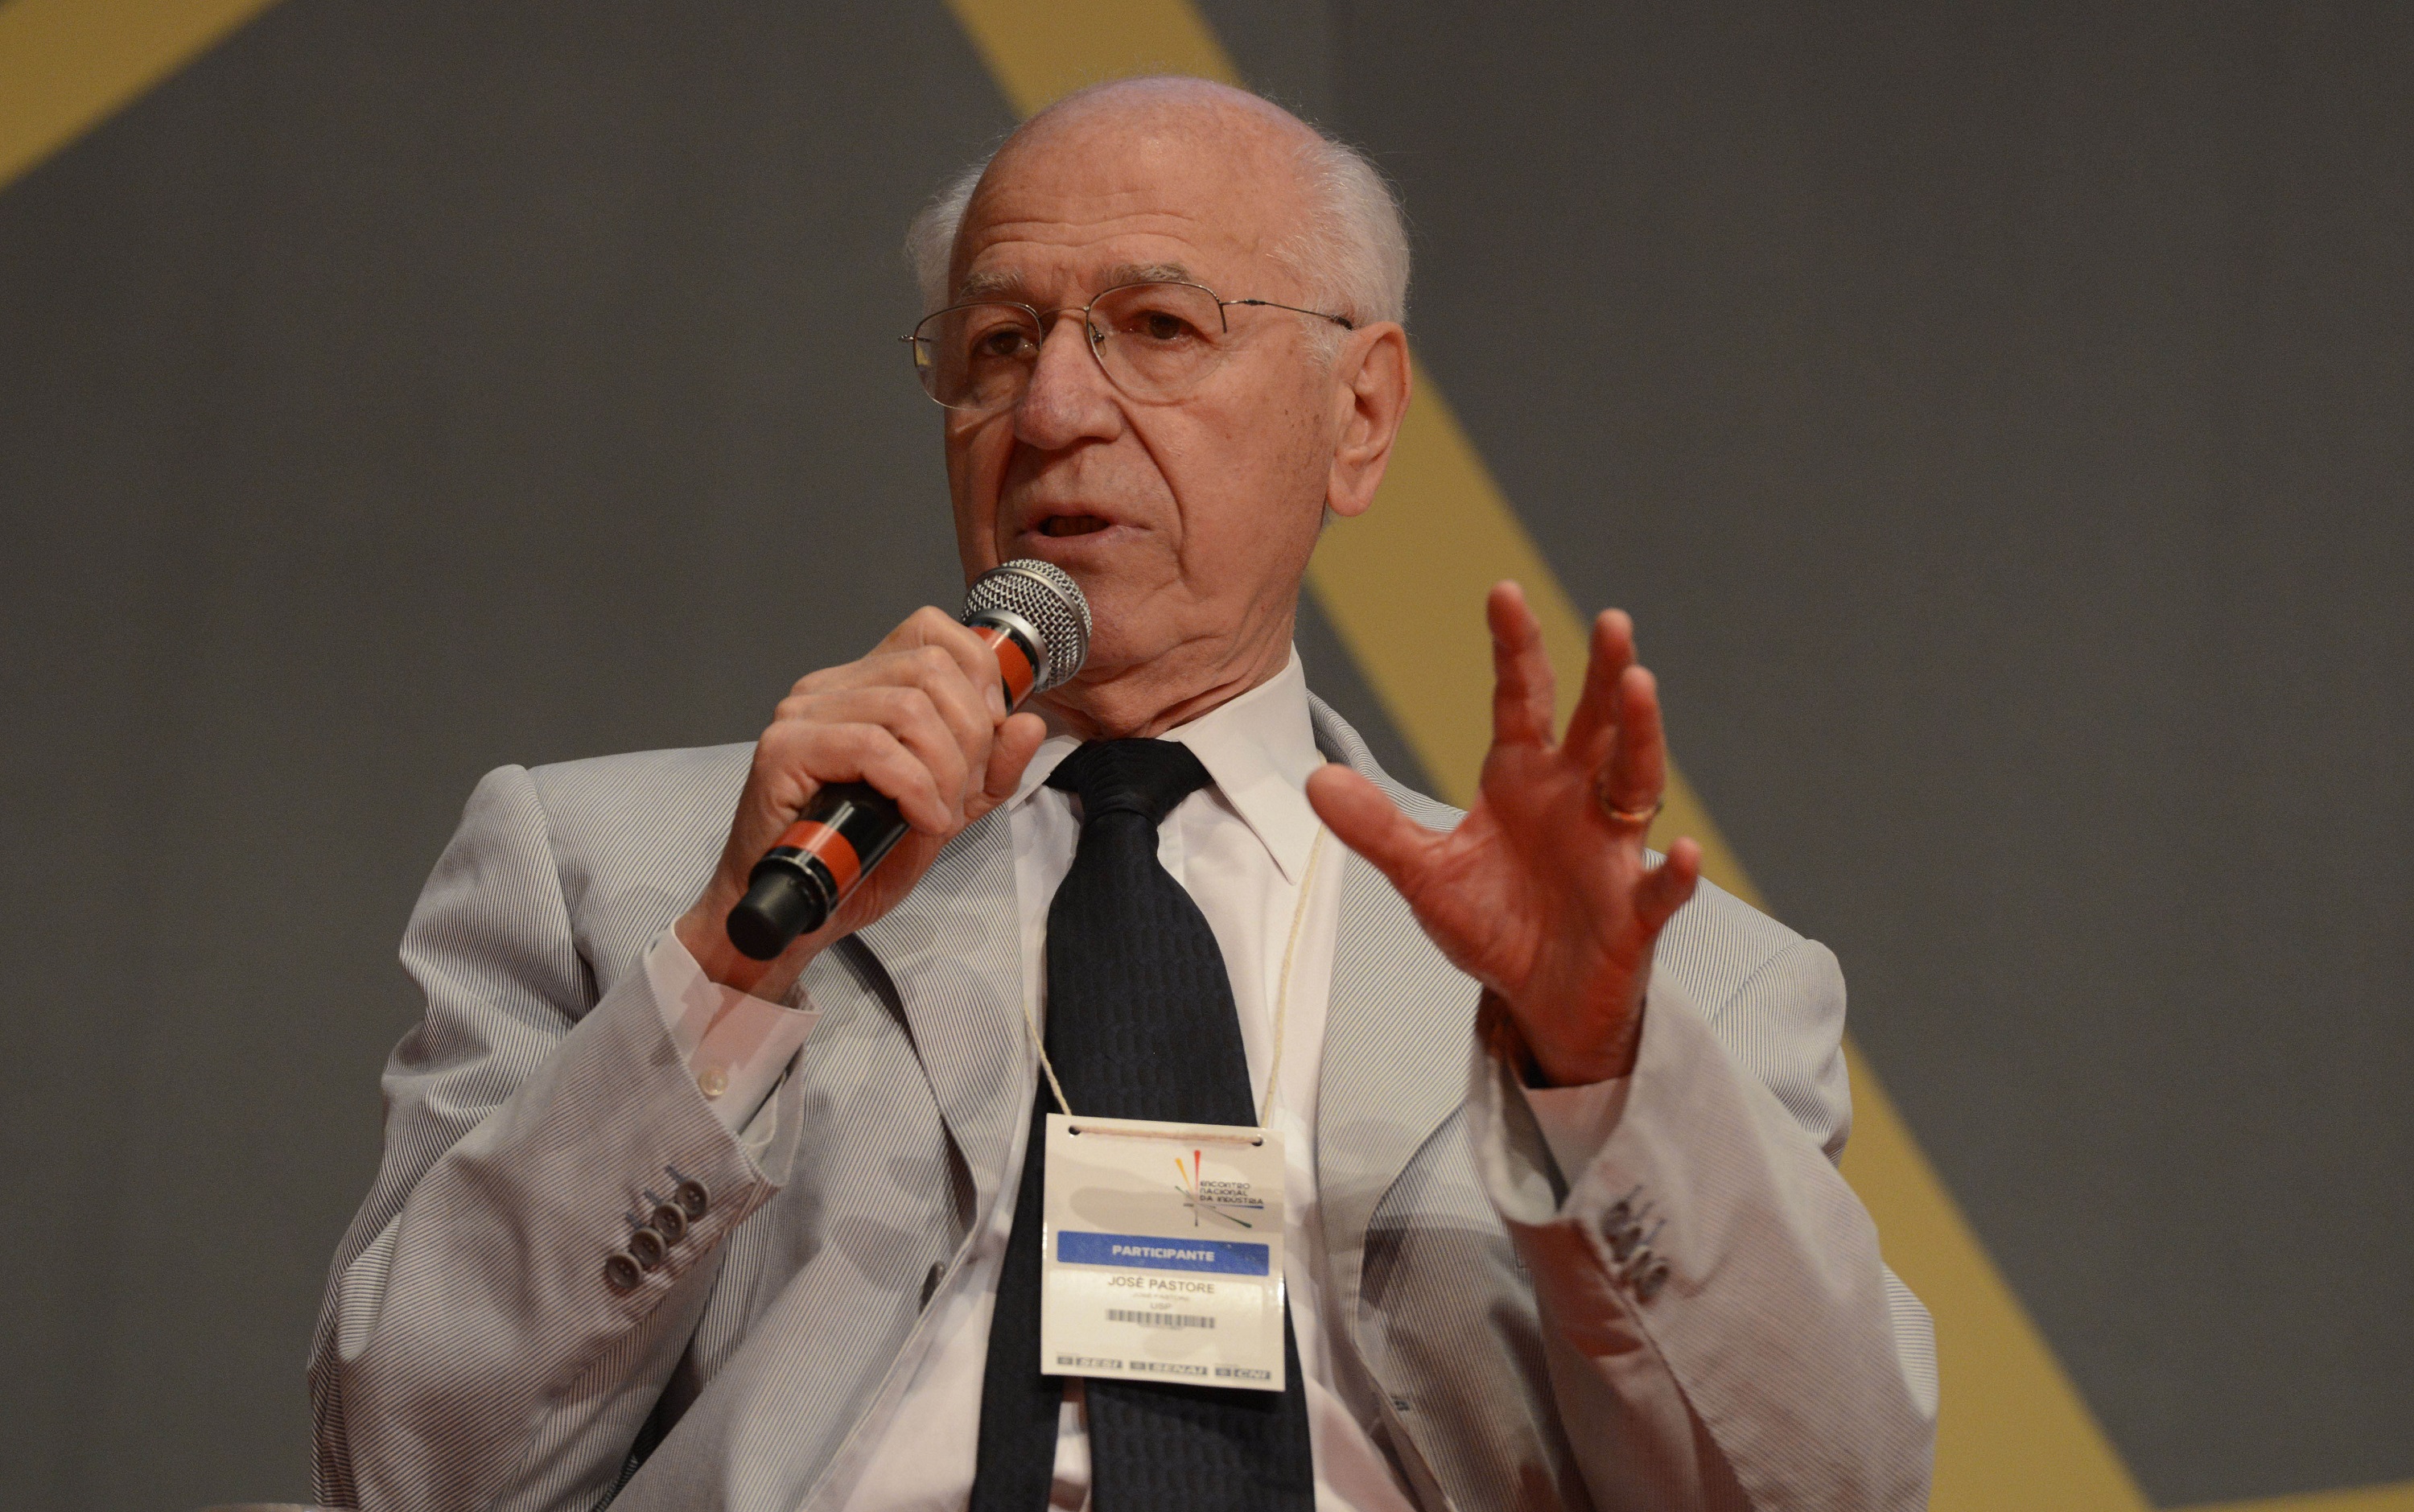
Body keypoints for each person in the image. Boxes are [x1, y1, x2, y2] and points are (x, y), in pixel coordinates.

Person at [311, 76, 1936, 1512]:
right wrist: (730, 973)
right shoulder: (626, 873)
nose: (1054, 411)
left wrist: (1597, 1074)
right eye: (998, 344)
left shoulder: (1685, 989)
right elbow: (407, 1471)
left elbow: (1825, 1492)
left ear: (1362, 414)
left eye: (1159, 327)